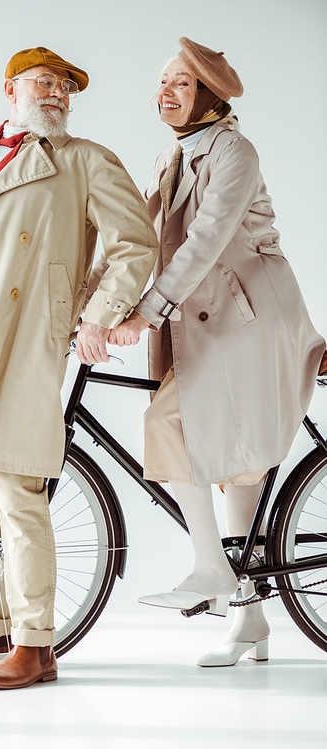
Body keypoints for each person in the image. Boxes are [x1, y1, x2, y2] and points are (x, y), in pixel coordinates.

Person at [0, 46, 158, 689]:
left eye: (65, 87)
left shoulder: (82, 161)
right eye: (42, 83)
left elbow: (135, 243)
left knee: (17, 487)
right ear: (10, 88)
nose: (56, 95)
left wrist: (95, 315)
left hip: (21, 337)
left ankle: (35, 644)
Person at [103, 38, 327, 667]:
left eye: (179, 83)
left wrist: (147, 311)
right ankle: (250, 620)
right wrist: (93, 304)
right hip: (207, 322)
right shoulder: (172, 158)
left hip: (252, 322)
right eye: (162, 83)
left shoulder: (235, 151)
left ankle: (211, 570)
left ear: (209, 93)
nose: (165, 93)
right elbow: (138, 235)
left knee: (173, 423)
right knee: (227, 464)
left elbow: (206, 240)